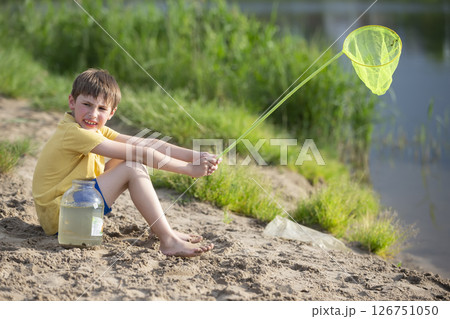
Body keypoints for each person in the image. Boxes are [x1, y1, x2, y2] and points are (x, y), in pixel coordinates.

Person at [32, 68, 220, 257]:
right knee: (132, 165)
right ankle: (168, 240)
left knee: (127, 158)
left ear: (112, 112)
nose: (93, 114)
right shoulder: (74, 132)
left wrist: (196, 156)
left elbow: (149, 142)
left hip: (71, 210)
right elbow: (143, 153)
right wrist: (189, 169)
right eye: (87, 104)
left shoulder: (95, 129)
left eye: (102, 108)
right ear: (72, 101)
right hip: (64, 218)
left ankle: (165, 231)